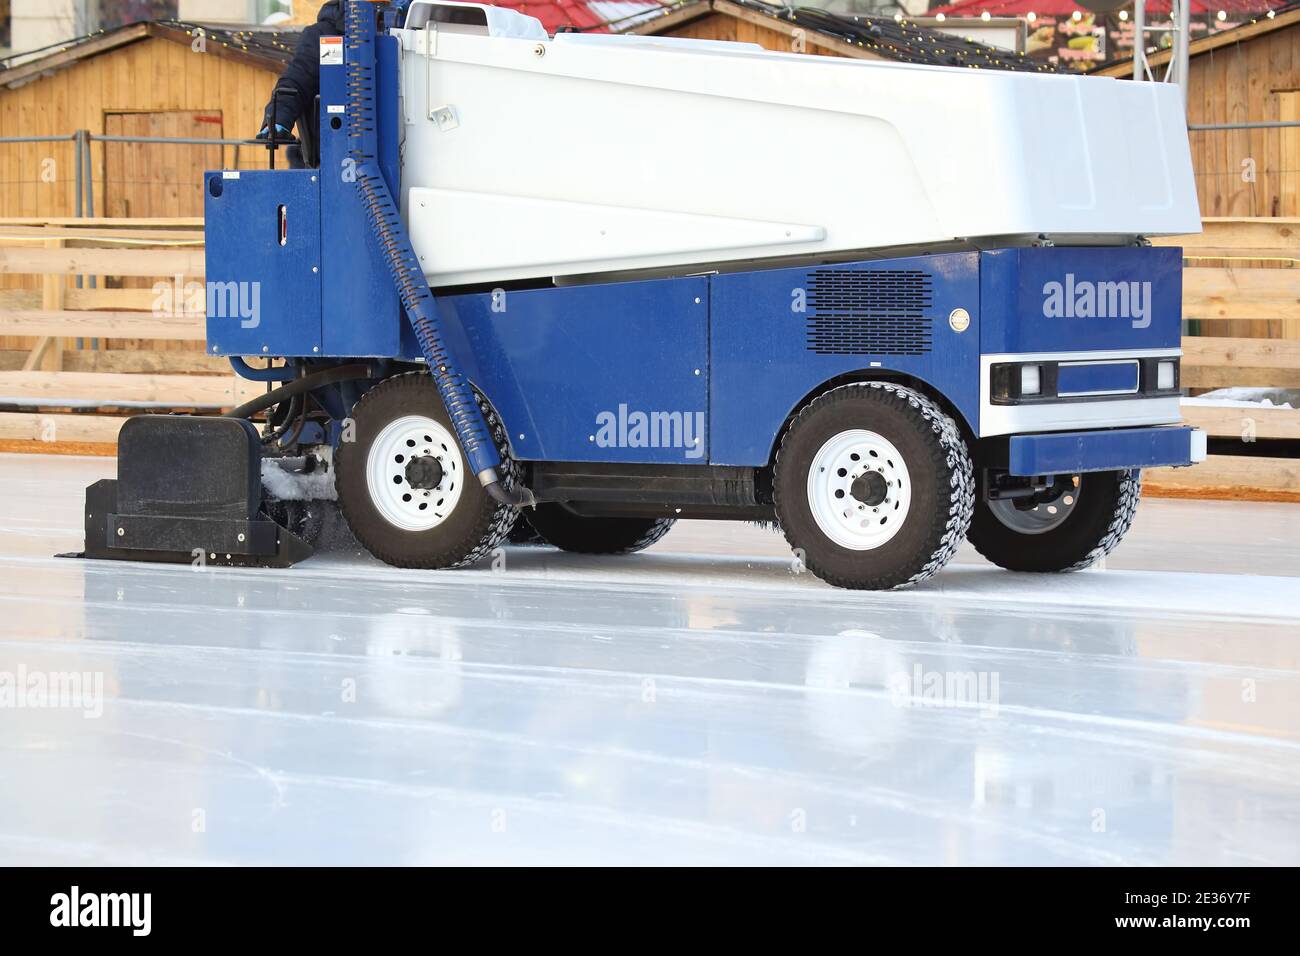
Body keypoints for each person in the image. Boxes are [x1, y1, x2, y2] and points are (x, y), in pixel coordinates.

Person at [258, 1, 412, 140]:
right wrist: (278, 118)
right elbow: (296, 81)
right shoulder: (325, 34)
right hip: (342, 154)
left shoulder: (420, 24)